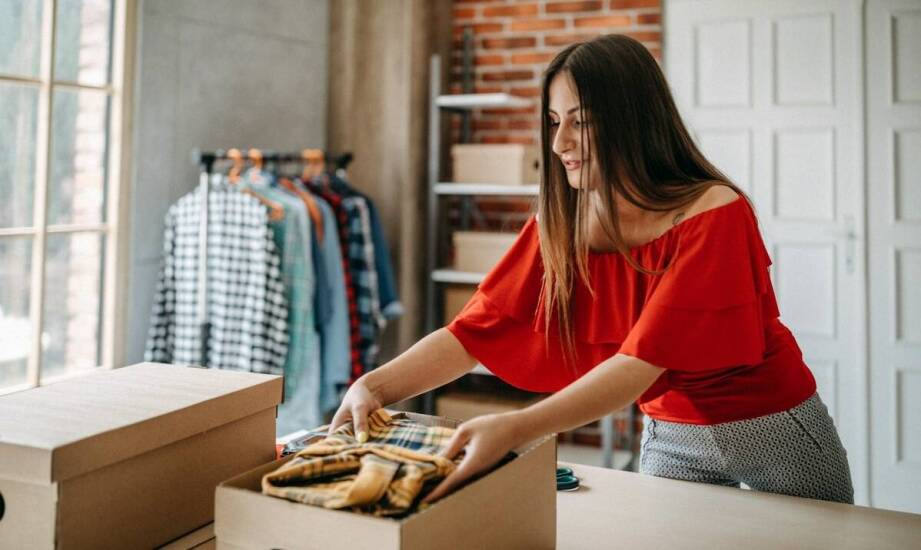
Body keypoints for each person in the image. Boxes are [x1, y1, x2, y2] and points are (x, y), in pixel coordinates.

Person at [328, 34, 854, 506]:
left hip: (773, 427)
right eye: (555, 123)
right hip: (671, 434)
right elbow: (475, 333)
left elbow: (639, 364)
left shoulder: (715, 211)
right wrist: (372, 387)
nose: (559, 145)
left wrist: (517, 428)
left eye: (581, 121)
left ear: (633, 119)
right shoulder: (564, 220)